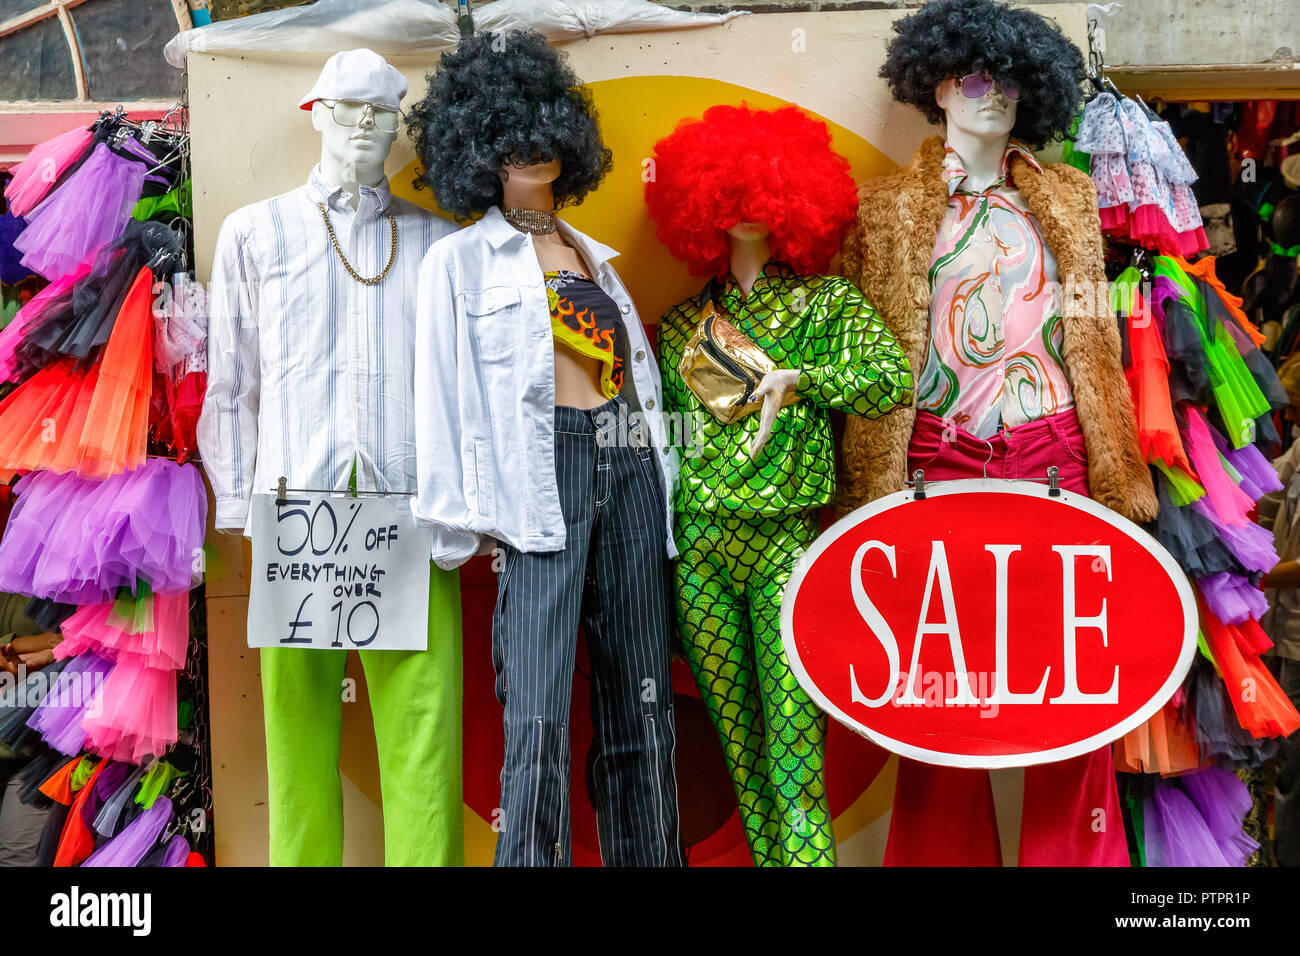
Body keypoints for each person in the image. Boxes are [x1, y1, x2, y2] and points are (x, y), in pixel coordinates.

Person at [838, 0, 1156, 866]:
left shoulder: (1069, 201)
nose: (992, 96)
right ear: (936, 84)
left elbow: (1096, 341)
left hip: (1056, 453)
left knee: (1074, 695)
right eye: (973, 78)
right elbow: (862, 351)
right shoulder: (885, 210)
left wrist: (1118, 464)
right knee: (935, 695)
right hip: (933, 463)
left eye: (1009, 81)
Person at [408, 30, 682, 867]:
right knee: (533, 710)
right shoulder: (458, 263)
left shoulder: (594, 257)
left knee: (642, 699)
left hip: (628, 461)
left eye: (544, 129)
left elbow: (639, 380)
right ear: (476, 147)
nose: (530, 146)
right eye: (507, 132)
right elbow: (440, 396)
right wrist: (460, 522)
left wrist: (658, 481)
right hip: (541, 478)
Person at [197, 49, 464, 866]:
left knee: (426, 734)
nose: (363, 125)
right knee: (296, 733)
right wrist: (240, 507)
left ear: (397, 123)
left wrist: (460, 510)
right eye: (347, 108)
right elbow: (231, 383)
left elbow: (459, 397)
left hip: (411, 512)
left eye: (380, 111)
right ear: (316, 112)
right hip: (296, 512)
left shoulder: (435, 242)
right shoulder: (254, 233)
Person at [646, 104, 912, 866]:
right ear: (702, 211)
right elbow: (666, 439)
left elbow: (889, 379)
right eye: (727, 198)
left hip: (786, 546)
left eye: (763, 194)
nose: (747, 210)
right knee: (743, 763)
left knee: (796, 765)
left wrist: (803, 381)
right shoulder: (678, 326)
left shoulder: (827, 305)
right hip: (698, 546)